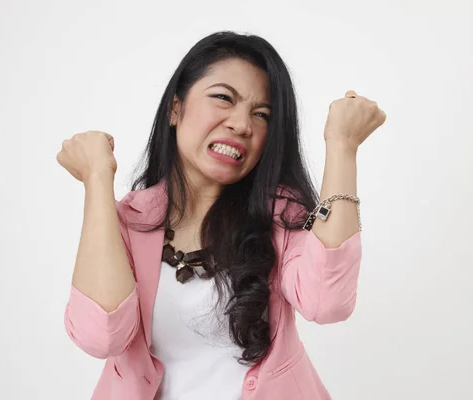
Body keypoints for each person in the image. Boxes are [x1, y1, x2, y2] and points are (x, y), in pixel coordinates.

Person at [56, 30, 386, 400]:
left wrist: (342, 146)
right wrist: (98, 179)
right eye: (223, 98)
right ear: (175, 109)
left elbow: (327, 303)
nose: (242, 124)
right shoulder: (130, 222)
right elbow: (101, 336)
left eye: (261, 115)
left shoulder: (281, 216)